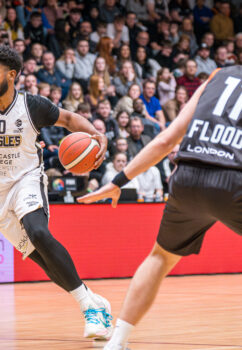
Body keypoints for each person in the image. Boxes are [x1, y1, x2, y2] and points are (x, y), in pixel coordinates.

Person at [0, 46, 113, 340]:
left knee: (39, 233)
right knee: (42, 257)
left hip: (26, 180)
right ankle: (93, 300)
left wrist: (98, 134)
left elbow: (70, 120)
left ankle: (89, 310)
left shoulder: (32, 105)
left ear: (12, 75)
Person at [78, 65, 242, 350]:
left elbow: (166, 140)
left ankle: (117, 342)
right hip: (234, 178)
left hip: (188, 175)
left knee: (159, 257)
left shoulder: (217, 75)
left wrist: (119, 180)